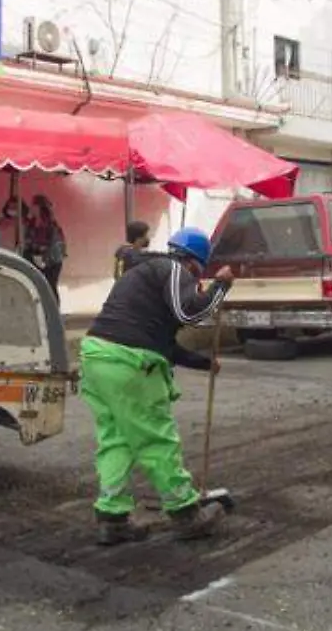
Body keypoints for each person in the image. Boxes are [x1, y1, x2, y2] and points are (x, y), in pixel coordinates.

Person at [80, 226, 233, 545]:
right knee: (156, 439)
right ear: (194, 263)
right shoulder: (175, 269)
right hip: (130, 364)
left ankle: (112, 518)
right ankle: (185, 513)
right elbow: (188, 312)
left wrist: (205, 363)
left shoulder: (145, 274)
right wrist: (220, 287)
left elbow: (162, 342)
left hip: (97, 357)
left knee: (116, 440)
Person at [21, 194, 67, 292]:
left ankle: (53, 306)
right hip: (35, 258)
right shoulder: (31, 223)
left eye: (33, 205)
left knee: (50, 286)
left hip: (51, 261)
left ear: (39, 207)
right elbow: (28, 240)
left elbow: (56, 245)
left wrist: (44, 257)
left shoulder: (51, 225)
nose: (31, 208)